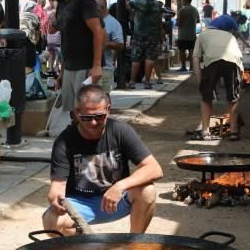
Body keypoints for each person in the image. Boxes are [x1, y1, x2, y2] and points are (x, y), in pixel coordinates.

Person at [44, 84, 163, 234]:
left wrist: (120, 186)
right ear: (76, 113)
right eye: (86, 117)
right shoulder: (64, 141)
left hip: (117, 200)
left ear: (108, 110)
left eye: (99, 116)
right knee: (51, 220)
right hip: (80, 204)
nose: (93, 123)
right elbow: (57, 186)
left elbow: (154, 168)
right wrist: (55, 199)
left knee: (148, 191)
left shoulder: (120, 131)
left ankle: (134, 244)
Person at [39, 0, 105, 131]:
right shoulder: (62, 4)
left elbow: (98, 31)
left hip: (85, 65)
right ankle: (77, 142)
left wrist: (96, 65)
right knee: (72, 111)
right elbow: (64, 37)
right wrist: (62, 70)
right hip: (69, 66)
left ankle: (90, 145)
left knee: (86, 109)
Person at [192, 18, 245, 141]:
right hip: (232, 62)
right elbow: (239, 61)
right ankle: (234, 132)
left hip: (212, 61)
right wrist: (238, 87)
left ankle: (205, 132)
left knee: (206, 98)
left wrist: (201, 82)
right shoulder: (229, 35)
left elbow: (196, 59)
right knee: (233, 98)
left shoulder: (202, 35)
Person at [127, 0, 164, 89]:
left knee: (136, 58)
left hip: (139, 34)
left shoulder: (139, 2)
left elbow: (126, 4)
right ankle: (147, 82)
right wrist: (161, 32)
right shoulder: (158, 4)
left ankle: (132, 81)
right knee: (150, 58)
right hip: (153, 35)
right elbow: (159, 20)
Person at [95, 0, 123, 93]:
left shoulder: (113, 23)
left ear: (101, 8)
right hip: (92, 67)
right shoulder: (92, 20)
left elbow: (120, 44)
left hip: (106, 67)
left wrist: (105, 43)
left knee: (104, 96)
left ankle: (107, 108)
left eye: (94, 7)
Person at [176, 0, 200, 73]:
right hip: (192, 34)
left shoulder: (182, 10)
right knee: (191, 51)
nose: (182, 1)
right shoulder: (195, 10)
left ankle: (183, 67)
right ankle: (191, 67)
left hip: (182, 35)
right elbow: (198, 21)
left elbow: (178, 23)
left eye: (183, 0)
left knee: (182, 51)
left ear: (186, 0)